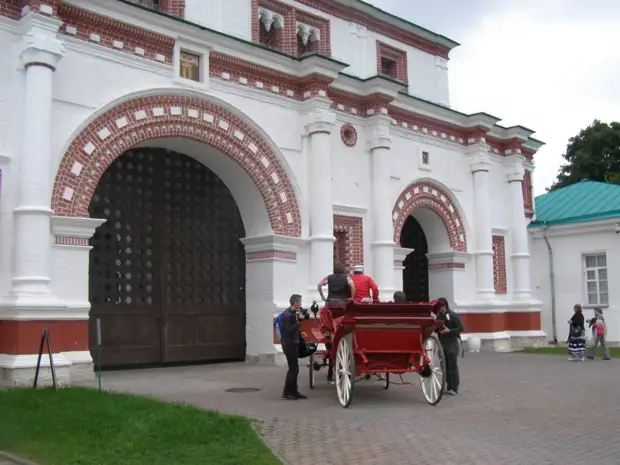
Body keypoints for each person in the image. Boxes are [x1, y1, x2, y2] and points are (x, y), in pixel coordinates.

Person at [280, 294, 307, 400]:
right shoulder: (287, 315)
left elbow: (293, 329)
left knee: (295, 368)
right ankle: (286, 393)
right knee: (293, 369)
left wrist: (300, 334)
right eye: (300, 302)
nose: (301, 304)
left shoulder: (291, 313)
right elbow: (289, 331)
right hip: (289, 344)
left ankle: (294, 391)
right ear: (295, 303)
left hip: (293, 343)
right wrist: (299, 322)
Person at [435, 297, 463, 396]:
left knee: (452, 367)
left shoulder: (453, 315)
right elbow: (436, 329)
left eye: (441, 307)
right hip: (443, 344)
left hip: (451, 343)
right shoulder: (439, 316)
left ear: (445, 306)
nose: (440, 309)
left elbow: (460, 328)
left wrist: (449, 331)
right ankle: (448, 386)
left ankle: (454, 388)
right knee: (444, 367)